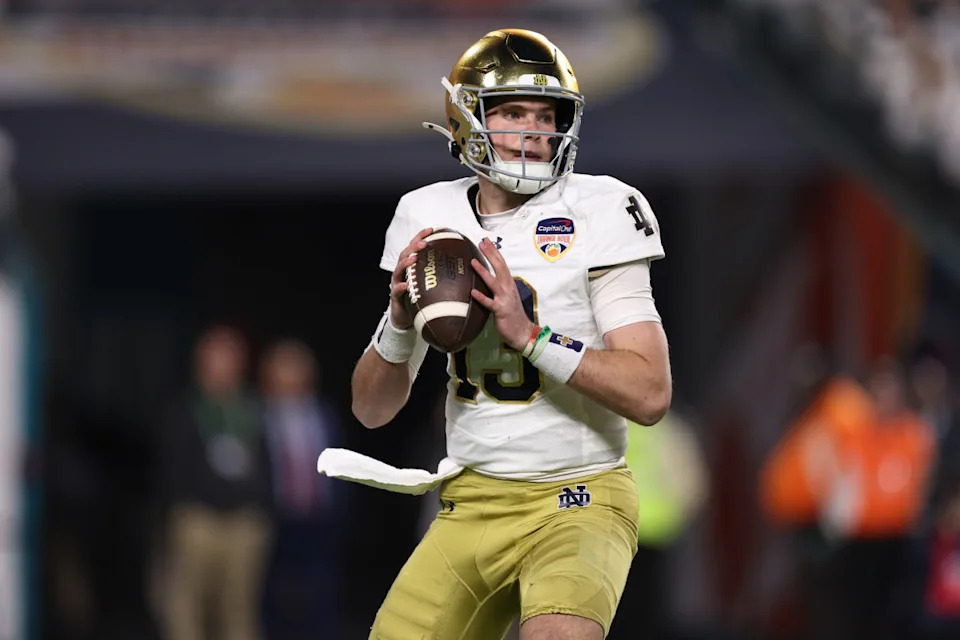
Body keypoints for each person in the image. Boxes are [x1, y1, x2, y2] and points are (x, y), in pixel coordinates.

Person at [320, 29, 671, 640]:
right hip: (471, 501)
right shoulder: (427, 216)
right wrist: (399, 325)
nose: (535, 130)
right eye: (512, 112)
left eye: (546, 114)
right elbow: (371, 410)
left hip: (578, 500)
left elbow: (650, 393)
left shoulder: (603, 209)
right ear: (466, 120)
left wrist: (531, 336)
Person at [155, 324, 273, 640]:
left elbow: (267, 464)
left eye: (231, 355)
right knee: (185, 605)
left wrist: (261, 511)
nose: (224, 363)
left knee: (239, 609)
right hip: (196, 520)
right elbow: (170, 468)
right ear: (201, 360)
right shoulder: (184, 408)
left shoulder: (254, 409)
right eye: (217, 355)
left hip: (245, 525)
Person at [259, 339, 342, 639]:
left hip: (318, 520)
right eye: (284, 365)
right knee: (275, 599)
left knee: (319, 599)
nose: (291, 374)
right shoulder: (258, 415)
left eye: (298, 366)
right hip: (275, 519)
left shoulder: (324, 412)